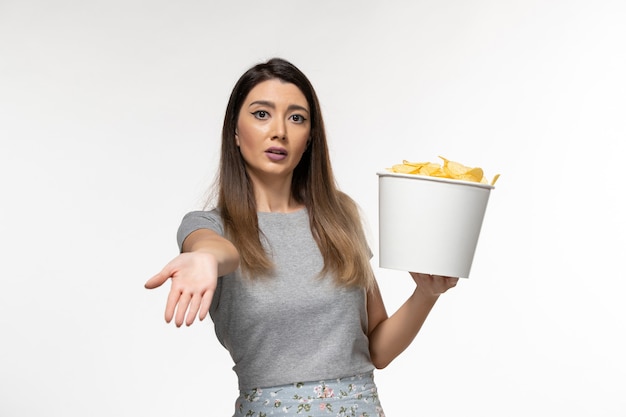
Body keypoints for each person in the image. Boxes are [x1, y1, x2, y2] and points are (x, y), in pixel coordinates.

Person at [145, 57, 458, 417]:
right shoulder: (210, 226)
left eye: (296, 118)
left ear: (309, 138)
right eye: (262, 114)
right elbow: (217, 250)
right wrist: (203, 258)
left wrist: (426, 294)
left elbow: (377, 351)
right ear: (234, 130)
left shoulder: (339, 218)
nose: (279, 130)